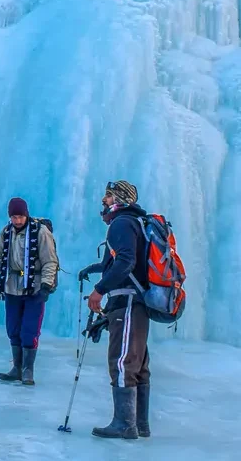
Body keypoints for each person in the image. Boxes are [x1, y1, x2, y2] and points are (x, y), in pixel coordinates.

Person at [87, 180, 152, 440]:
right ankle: (140, 424)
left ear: (120, 200)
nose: (103, 200)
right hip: (137, 302)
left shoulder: (122, 223)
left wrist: (99, 290)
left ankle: (125, 424)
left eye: (108, 196)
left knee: (122, 360)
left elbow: (125, 262)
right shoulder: (134, 223)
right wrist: (93, 271)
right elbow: (119, 261)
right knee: (137, 362)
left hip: (126, 301)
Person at [0, 197, 59, 386]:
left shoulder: (40, 232)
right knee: (13, 328)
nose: (17, 220)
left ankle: (28, 369)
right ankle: (16, 367)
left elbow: (50, 261)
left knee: (30, 329)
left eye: (20, 216)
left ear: (26, 214)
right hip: (12, 286)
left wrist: (46, 285)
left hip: (34, 287)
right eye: (14, 217)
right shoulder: (6, 232)